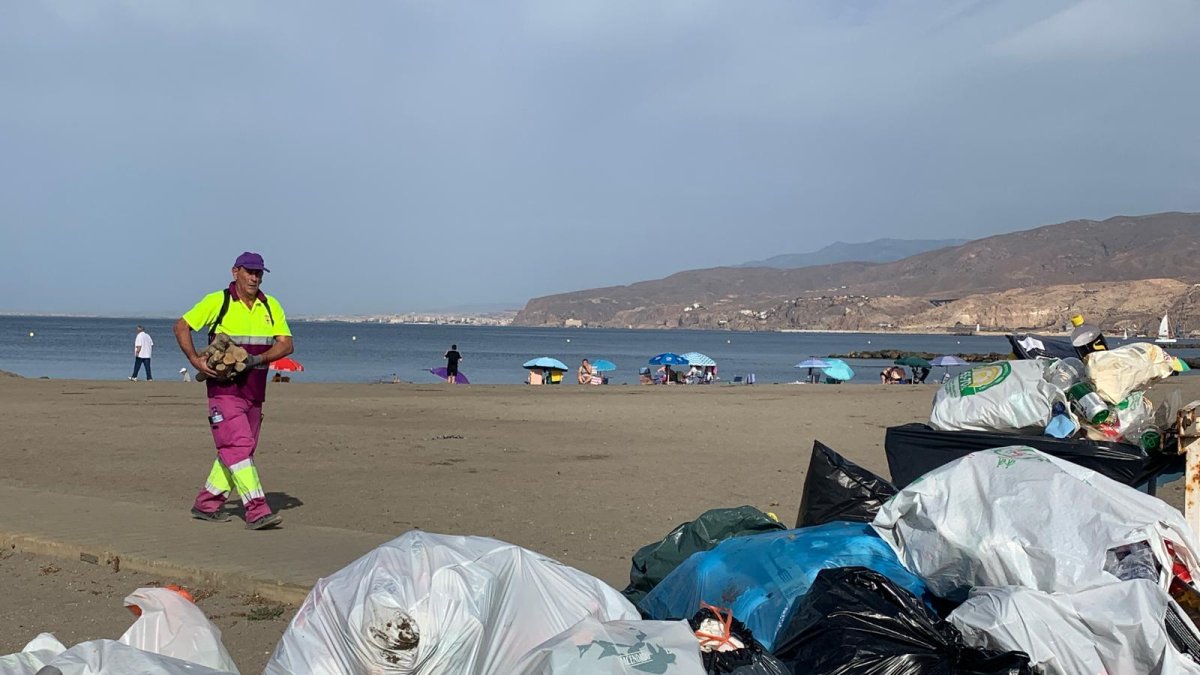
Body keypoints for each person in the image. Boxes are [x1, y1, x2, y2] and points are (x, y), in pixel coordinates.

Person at [174, 252, 293, 531]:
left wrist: (257, 359)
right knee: (238, 446)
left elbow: (286, 345)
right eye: (249, 272)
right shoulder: (219, 301)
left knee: (238, 450)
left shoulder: (271, 306)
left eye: (259, 273)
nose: (254, 277)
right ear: (235, 272)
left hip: (255, 392)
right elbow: (181, 326)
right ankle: (257, 509)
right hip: (223, 391)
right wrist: (195, 360)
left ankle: (206, 503)